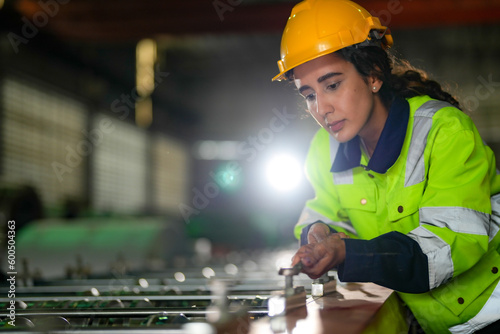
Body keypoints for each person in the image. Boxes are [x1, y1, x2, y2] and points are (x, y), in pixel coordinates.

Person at [272, 0, 500, 333]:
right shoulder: (325, 147)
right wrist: (319, 234)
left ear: (373, 75)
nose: (322, 108)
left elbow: (448, 248)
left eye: (332, 84)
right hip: (428, 322)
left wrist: (348, 253)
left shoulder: (444, 130)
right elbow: (323, 211)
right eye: (309, 94)